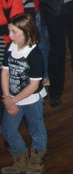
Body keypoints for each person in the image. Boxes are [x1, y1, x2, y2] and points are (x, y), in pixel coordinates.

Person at [0, 13, 46, 174]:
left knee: (36, 131)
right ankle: (21, 162)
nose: (10, 35)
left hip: (32, 101)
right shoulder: (10, 47)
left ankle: (36, 163)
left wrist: (12, 101)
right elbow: (4, 72)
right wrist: (7, 97)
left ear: (26, 32)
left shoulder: (34, 54)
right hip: (13, 98)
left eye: (14, 32)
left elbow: (33, 86)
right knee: (8, 130)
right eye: (9, 31)